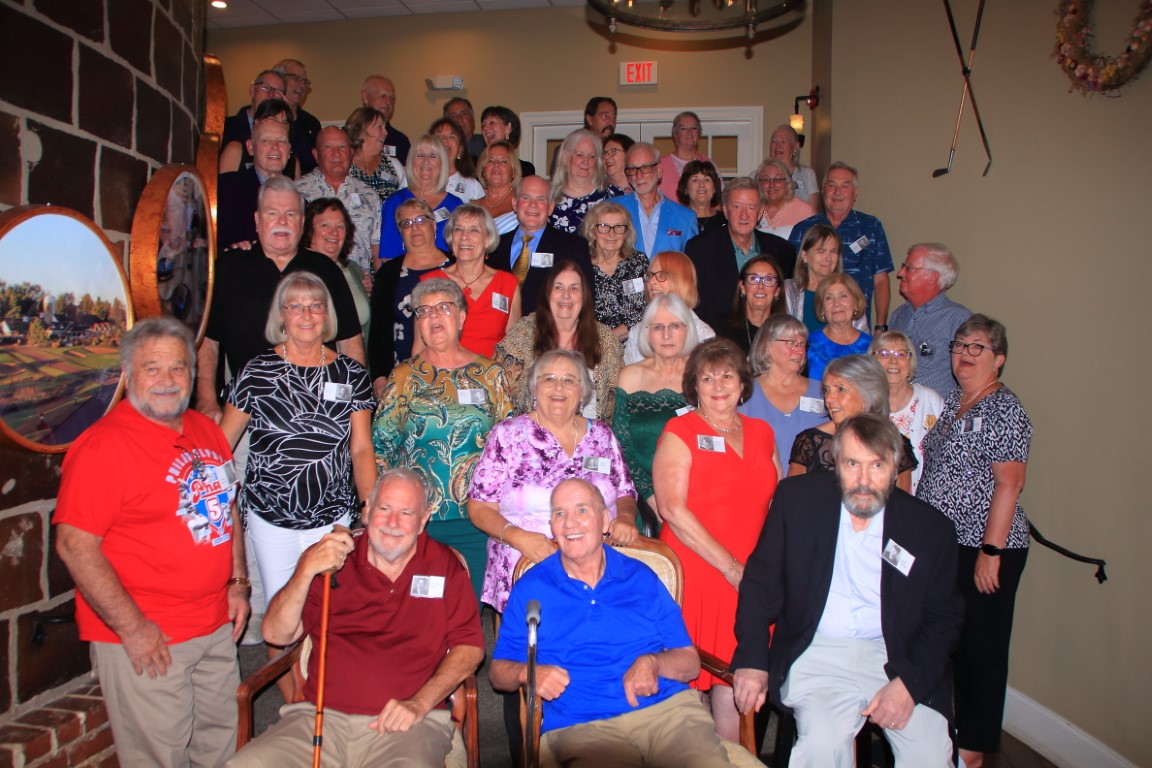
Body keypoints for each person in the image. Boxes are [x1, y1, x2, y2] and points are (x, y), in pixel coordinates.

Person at [55, 317, 249, 767]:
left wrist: (237, 581)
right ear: (128, 374)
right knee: (159, 757)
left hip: (214, 624)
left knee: (221, 751)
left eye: (178, 368)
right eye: (152, 368)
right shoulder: (103, 446)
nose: (167, 380)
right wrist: (133, 629)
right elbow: (74, 545)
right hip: (152, 635)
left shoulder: (204, 429)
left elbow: (226, 505)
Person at [732, 414, 964, 768]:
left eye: (877, 465)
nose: (864, 481)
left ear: (895, 467)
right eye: (853, 464)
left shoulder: (929, 529)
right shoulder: (797, 502)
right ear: (835, 462)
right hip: (817, 650)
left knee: (929, 754)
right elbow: (759, 585)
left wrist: (910, 684)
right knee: (822, 745)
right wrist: (752, 659)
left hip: (897, 655)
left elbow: (944, 618)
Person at [227, 469, 485, 768]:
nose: (392, 523)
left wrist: (420, 703)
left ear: (423, 520)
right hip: (318, 719)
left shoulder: (444, 565)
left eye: (406, 513)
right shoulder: (332, 562)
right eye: (384, 508)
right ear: (367, 511)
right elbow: (275, 634)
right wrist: (305, 570)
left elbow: (470, 648)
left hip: (407, 725)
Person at [490, 478, 736, 768]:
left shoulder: (641, 577)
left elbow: (690, 663)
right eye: (559, 513)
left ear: (605, 520)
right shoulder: (532, 588)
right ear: (552, 526)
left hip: (666, 714)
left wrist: (654, 663)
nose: (570, 523)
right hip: (583, 726)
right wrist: (528, 672)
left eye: (582, 510)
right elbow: (498, 672)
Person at [219, 272, 375, 613]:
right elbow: (221, 447)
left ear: (326, 315)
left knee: (329, 615)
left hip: (332, 516)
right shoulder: (256, 372)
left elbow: (362, 449)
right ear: (281, 316)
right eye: (296, 306)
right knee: (282, 611)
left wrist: (370, 506)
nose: (306, 315)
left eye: (315, 306)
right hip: (271, 516)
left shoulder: (351, 374)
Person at [916, 315, 1032, 768]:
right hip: (948, 547)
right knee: (952, 642)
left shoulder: (1004, 408)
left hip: (984, 546)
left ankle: (974, 747)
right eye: (959, 345)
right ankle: (949, 731)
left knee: (981, 648)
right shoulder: (955, 403)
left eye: (976, 347)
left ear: (998, 359)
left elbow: (1010, 483)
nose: (964, 354)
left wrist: (990, 551)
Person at [652, 338, 780, 740]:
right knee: (692, 687)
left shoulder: (762, 432)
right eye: (707, 378)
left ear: (743, 383)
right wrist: (730, 567)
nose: (718, 385)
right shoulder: (680, 430)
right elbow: (672, 509)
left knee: (737, 679)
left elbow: (778, 503)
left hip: (750, 573)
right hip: (699, 569)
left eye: (727, 376)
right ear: (695, 386)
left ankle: (732, 759)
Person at [467, 349, 639, 613]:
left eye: (569, 380)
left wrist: (625, 518)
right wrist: (519, 538)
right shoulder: (507, 435)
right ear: (534, 388)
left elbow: (625, 491)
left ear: (582, 392)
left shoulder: (602, 435)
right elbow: (479, 507)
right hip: (527, 558)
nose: (559, 387)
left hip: (597, 564)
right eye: (549, 379)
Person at [374, 278, 515, 596]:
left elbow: (509, 448)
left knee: (467, 608)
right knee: (421, 609)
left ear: (462, 317)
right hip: (416, 521)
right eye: (424, 311)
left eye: (443, 308)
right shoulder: (403, 377)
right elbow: (380, 449)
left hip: (478, 519)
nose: (433, 316)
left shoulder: (491, 375)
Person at [199, 175, 365, 422]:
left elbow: (350, 342)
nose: (282, 222)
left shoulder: (325, 269)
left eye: (290, 214)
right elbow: (208, 341)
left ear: (302, 222)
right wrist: (206, 399)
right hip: (248, 410)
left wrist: (353, 409)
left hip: (319, 410)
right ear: (257, 220)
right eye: (272, 213)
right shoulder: (229, 267)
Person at [495, 260, 623, 422]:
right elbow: (499, 390)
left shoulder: (606, 341)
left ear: (584, 296)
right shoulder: (523, 333)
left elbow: (617, 405)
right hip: (530, 433)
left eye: (574, 288)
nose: (566, 295)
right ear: (547, 293)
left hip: (589, 434)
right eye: (558, 287)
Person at [614, 294, 699, 534]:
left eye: (675, 326)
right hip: (642, 497)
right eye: (658, 327)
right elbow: (621, 446)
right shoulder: (630, 376)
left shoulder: (703, 374)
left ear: (687, 330)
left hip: (697, 490)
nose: (666, 335)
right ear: (647, 333)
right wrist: (651, 495)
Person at [789, 354, 917, 492]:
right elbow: (793, 497)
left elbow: (901, 502)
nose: (829, 398)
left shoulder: (895, 444)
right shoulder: (809, 442)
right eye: (826, 390)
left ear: (867, 394)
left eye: (841, 389)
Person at [789, 162, 894, 329]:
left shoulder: (870, 227)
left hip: (855, 324)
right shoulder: (803, 229)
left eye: (845, 186)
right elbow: (792, 277)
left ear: (855, 193)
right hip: (807, 319)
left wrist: (880, 326)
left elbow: (881, 281)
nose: (837, 192)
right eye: (831, 185)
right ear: (823, 190)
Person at [686, 178, 795, 334]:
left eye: (751, 208)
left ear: (760, 211)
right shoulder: (700, 249)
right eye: (737, 207)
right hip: (718, 339)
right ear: (725, 210)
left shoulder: (782, 251)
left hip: (768, 338)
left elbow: (785, 305)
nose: (744, 215)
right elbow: (694, 306)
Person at [367, 198, 452, 391]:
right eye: (406, 223)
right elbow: (378, 329)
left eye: (421, 220)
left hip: (450, 371)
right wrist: (379, 377)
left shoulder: (455, 266)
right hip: (400, 374)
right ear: (400, 232)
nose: (414, 227)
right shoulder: (388, 273)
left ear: (433, 225)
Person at [423, 205, 522, 357]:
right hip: (442, 371)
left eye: (474, 230)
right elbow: (420, 347)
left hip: (492, 371)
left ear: (487, 239)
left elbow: (515, 350)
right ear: (451, 237)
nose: (464, 236)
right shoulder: (431, 283)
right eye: (458, 229)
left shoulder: (508, 284)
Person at [488, 175, 593, 315]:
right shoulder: (494, 247)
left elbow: (586, 301)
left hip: (548, 327)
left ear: (550, 207)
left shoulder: (573, 247)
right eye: (526, 198)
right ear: (514, 204)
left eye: (540, 199)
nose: (533, 204)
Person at [739, 314, 827, 469]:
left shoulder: (823, 391)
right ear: (767, 346)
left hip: (813, 482)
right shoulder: (744, 393)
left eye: (802, 343)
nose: (799, 350)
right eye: (792, 343)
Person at [888, 243, 973, 395]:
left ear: (932, 278)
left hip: (938, 408)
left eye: (909, 268)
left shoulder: (959, 319)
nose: (900, 273)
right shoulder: (898, 316)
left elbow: (972, 378)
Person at [295, 126, 382, 275]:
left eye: (342, 147)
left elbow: (377, 251)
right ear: (316, 154)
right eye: (328, 147)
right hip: (311, 282)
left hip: (359, 283)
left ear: (351, 152)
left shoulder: (369, 195)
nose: (336, 153)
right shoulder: (296, 192)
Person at [869, 330, 943, 494]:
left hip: (926, 498)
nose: (893, 360)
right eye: (884, 353)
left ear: (910, 363)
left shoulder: (931, 400)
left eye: (901, 354)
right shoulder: (864, 403)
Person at [379, 133, 466, 260]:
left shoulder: (456, 205)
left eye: (432, 156)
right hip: (403, 271)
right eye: (420, 155)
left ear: (442, 163)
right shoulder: (395, 202)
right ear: (411, 162)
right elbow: (388, 255)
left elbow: (462, 253)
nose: (426, 161)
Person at [622, 250, 715, 365]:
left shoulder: (703, 335)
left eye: (661, 275)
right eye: (650, 275)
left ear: (682, 281)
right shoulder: (637, 331)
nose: (651, 282)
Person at [216, 118, 290, 251]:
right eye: (266, 141)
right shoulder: (227, 188)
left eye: (281, 141)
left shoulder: (298, 196)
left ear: (289, 150)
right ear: (250, 147)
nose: (275, 147)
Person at [581, 201, 649, 341]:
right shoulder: (581, 266)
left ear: (626, 232)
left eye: (618, 227)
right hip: (590, 343)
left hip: (634, 343)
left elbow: (647, 309)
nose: (611, 234)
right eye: (604, 226)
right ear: (592, 231)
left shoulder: (638, 262)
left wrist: (607, 340)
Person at [303, 198, 370, 340]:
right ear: (309, 230)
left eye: (340, 226)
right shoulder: (299, 272)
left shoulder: (353, 270)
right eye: (325, 225)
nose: (334, 233)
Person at [617, 142, 699, 257]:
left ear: (659, 170)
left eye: (645, 168)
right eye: (632, 169)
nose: (638, 176)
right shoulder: (612, 209)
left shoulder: (685, 217)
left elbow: (692, 263)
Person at [785, 224, 866, 335]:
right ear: (805, 255)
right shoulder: (788, 290)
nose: (828, 258)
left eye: (833, 251)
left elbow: (862, 336)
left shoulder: (849, 291)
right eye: (821, 251)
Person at [550, 129, 622, 234]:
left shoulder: (613, 196)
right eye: (580, 155)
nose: (586, 161)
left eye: (592, 156)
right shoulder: (549, 197)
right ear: (565, 157)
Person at [219, 69, 289, 175]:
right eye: (265, 88)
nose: (271, 94)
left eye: (277, 92)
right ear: (252, 91)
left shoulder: (286, 136)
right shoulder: (225, 127)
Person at [715, 254, 786, 355]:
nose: (760, 286)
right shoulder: (720, 328)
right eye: (753, 279)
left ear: (777, 291)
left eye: (768, 279)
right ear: (742, 287)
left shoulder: (788, 333)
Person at [806, 273, 872, 380]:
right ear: (822, 308)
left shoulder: (872, 347)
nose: (836, 303)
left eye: (843, 296)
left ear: (856, 303)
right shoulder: (808, 344)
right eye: (828, 298)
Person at [344, 106, 407, 203]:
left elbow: (406, 199)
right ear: (360, 130)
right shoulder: (344, 166)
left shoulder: (393, 164)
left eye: (385, 128)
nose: (386, 133)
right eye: (380, 127)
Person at [273, 58, 320, 174]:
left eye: (305, 82)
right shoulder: (267, 118)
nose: (302, 85)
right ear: (279, 80)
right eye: (296, 79)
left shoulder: (311, 123)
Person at [658, 111, 715, 200]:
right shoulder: (660, 165)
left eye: (694, 128)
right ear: (675, 135)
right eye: (683, 129)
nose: (689, 133)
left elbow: (718, 199)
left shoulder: (708, 164)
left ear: (699, 135)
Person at [754, 157, 815, 240]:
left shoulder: (805, 211)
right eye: (766, 179)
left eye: (778, 179)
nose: (772, 185)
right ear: (758, 184)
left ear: (787, 182)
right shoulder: (753, 209)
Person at [431, 117, 485, 201]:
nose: (444, 140)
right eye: (439, 136)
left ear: (460, 149)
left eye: (451, 136)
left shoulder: (472, 186)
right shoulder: (419, 180)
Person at [360, 75, 410, 164]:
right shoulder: (347, 137)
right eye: (382, 96)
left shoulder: (401, 141)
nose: (388, 102)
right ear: (365, 97)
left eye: (391, 98)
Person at [766, 124, 819, 208]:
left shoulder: (807, 174)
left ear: (795, 146)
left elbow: (812, 212)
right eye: (774, 142)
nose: (777, 146)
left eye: (783, 142)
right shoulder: (758, 176)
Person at [475, 139, 521, 233]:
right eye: (490, 161)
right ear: (483, 170)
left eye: (503, 161)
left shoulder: (522, 204)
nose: (496, 165)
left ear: (513, 171)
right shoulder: (473, 205)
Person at [480, 105, 536, 177]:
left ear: (508, 128)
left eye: (492, 122)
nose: (485, 127)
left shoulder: (526, 169)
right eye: (483, 125)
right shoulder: (475, 166)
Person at [677, 159, 726, 233]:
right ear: (685, 189)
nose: (701, 185)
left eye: (706, 179)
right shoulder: (676, 220)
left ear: (714, 188)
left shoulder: (725, 220)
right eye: (695, 180)